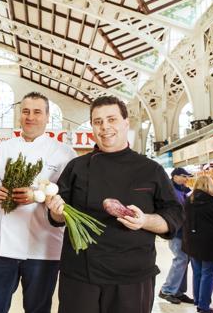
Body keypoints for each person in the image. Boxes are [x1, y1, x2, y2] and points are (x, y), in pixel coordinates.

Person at [45, 95, 183, 313]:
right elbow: (56, 218)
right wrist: (56, 212)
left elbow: (174, 216)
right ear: (92, 126)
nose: (105, 127)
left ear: (126, 123)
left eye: (112, 119)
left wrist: (145, 220)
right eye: (98, 121)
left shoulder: (150, 169)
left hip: (132, 277)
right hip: (81, 275)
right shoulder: (77, 167)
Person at [0, 92, 77, 313]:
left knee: (38, 308)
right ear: (19, 115)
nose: (30, 117)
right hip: (2, 248)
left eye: (37, 112)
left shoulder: (64, 153)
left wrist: (38, 196)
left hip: (44, 249)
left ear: (47, 116)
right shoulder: (2, 148)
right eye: (25, 112)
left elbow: (69, 198)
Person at [181, 175, 213, 313]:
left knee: (197, 273)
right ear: (210, 185)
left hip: (192, 243)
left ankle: (198, 300)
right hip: (212, 245)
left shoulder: (188, 201)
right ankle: (203, 306)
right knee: (208, 275)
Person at [158, 167, 194, 304]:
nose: (186, 179)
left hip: (184, 231)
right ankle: (167, 290)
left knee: (185, 259)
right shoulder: (171, 191)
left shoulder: (182, 190)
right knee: (181, 258)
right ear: (175, 176)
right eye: (184, 176)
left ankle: (178, 291)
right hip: (176, 231)